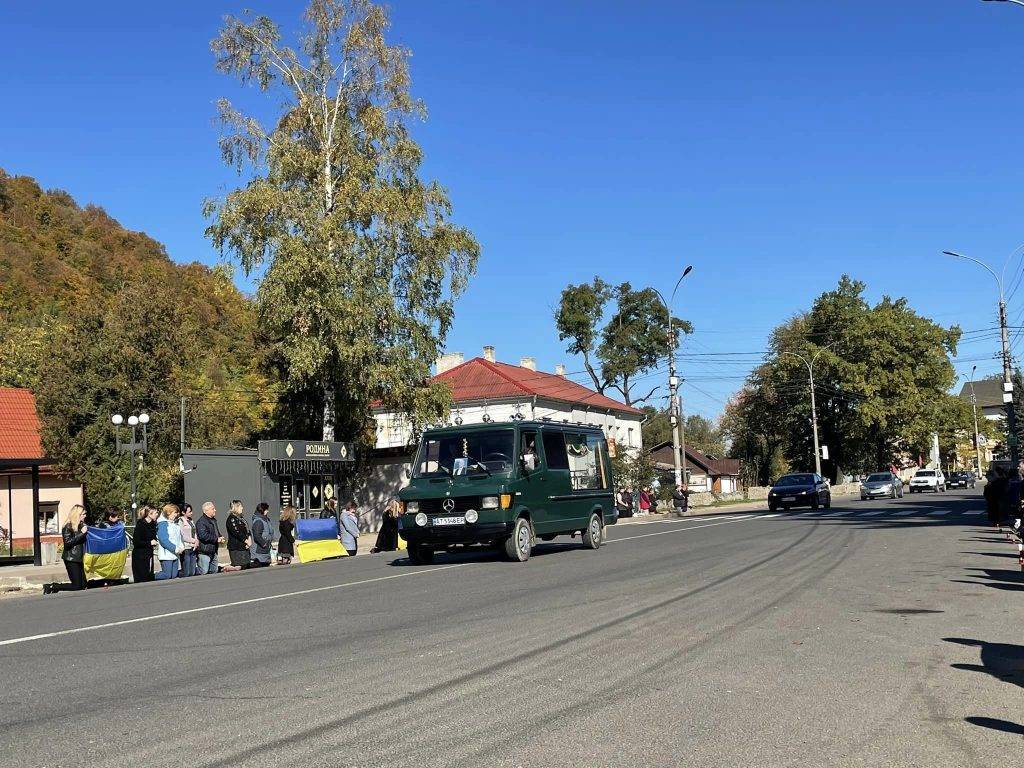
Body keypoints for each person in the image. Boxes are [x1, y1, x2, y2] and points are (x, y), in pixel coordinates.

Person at [43, 504, 89, 594]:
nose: (85, 516)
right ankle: (53, 586)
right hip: (71, 558)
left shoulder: (81, 525)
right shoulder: (67, 527)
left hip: (79, 558)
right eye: (83, 514)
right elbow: (68, 543)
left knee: (83, 585)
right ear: (77, 514)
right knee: (77, 587)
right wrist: (82, 533)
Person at [155, 504, 185, 580]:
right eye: (175, 512)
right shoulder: (162, 524)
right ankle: (149, 577)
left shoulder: (175, 524)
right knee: (167, 575)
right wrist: (175, 548)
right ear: (169, 512)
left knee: (173, 575)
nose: (177, 514)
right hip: (166, 554)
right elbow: (164, 540)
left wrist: (181, 547)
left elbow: (179, 537)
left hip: (175, 553)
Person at [195, 501, 226, 574]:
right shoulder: (201, 522)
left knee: (214, 571)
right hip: (204, 552)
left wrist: (220, 537)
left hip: (213, 551)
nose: (215, 510)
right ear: (206, 511)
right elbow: (203, 536)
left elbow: (215, 532)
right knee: (204, 572)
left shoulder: (213, 520)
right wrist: (216, 539)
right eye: (213, 509)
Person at [131, 506, 158, 583]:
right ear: (150, 514)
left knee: (148, 577)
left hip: (148, 554)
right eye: (155, 513)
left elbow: (153, 537)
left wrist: (154, 541)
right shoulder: (141, 525)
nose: (157, 514)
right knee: (141, 579)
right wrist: (149, 543)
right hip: (140, 556)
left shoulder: (152, 524)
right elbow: (136, 542)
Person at [226, 500, 252, 569]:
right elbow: (237, 532)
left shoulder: (241, 518)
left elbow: (247, 529)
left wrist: (249, 539)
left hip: (244, 547)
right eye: (240, 506)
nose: (242, 508)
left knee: (246, 566)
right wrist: (246, 541)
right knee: (239, 567)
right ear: (236, 507)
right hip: (236, 548)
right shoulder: (231, 519)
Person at [250, 502, 273, 568]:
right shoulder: (258, 521)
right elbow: (257, 535)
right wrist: (264, 544)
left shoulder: (266, 519)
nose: (267, 511)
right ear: (262, 510)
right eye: (266, 510)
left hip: (265, 550)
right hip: (259, 551)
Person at [177, 503, 198, 577]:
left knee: (192, 572)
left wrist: (196, 541)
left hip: (193, 547)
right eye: (189, 512)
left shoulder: (191, 520)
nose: (191, 513)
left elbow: (194, 532)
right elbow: (182, 536)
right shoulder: (180, 521)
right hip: (186, 548)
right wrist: (193, 540)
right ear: (183, 512)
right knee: (186, 572)